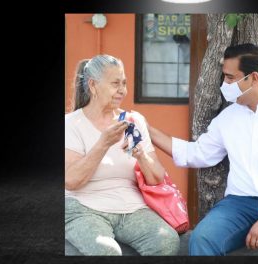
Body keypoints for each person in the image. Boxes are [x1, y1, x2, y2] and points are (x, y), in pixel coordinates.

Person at [147, 43, 258, 256]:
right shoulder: (229, 117)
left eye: (231, 78)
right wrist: (147, 130)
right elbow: (196, 154)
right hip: (239, 204)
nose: (225, 84)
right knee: (202, 239)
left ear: (254, 78)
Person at [64, 55, 180, 256]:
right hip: (83, 207)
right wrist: (103, 143)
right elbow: (72, 181)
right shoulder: (71, 124)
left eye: (124, 84)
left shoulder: (134, 120)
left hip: (131, 208)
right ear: (93, 85)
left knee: (166, 242)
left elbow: (156, 178)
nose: (122, 91)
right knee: (106, 252)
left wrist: (141, 155)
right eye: (115, 84)